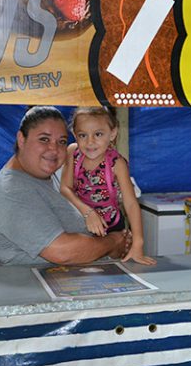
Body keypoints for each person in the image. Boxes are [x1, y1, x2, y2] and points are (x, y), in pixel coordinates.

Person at [0, 106, 131, 266]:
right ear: (21, 139)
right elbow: (63, 252)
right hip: (39, 280)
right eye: (44, 139)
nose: (54, 149)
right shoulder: (12, 191)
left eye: (62, 142)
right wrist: (113, 242)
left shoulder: (51, 173)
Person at [60, 107, 156, 265]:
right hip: (81, 220)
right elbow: (65, 188)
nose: (90, 142)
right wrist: (88, 213)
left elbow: (131, 203)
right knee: (82, 264)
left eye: (98, 134)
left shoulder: (117, 163)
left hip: (112, 225)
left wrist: (138, 243)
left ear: (112, 133)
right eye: (83, 135)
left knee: (110, 267)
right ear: (75, 135)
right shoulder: (73, 152)